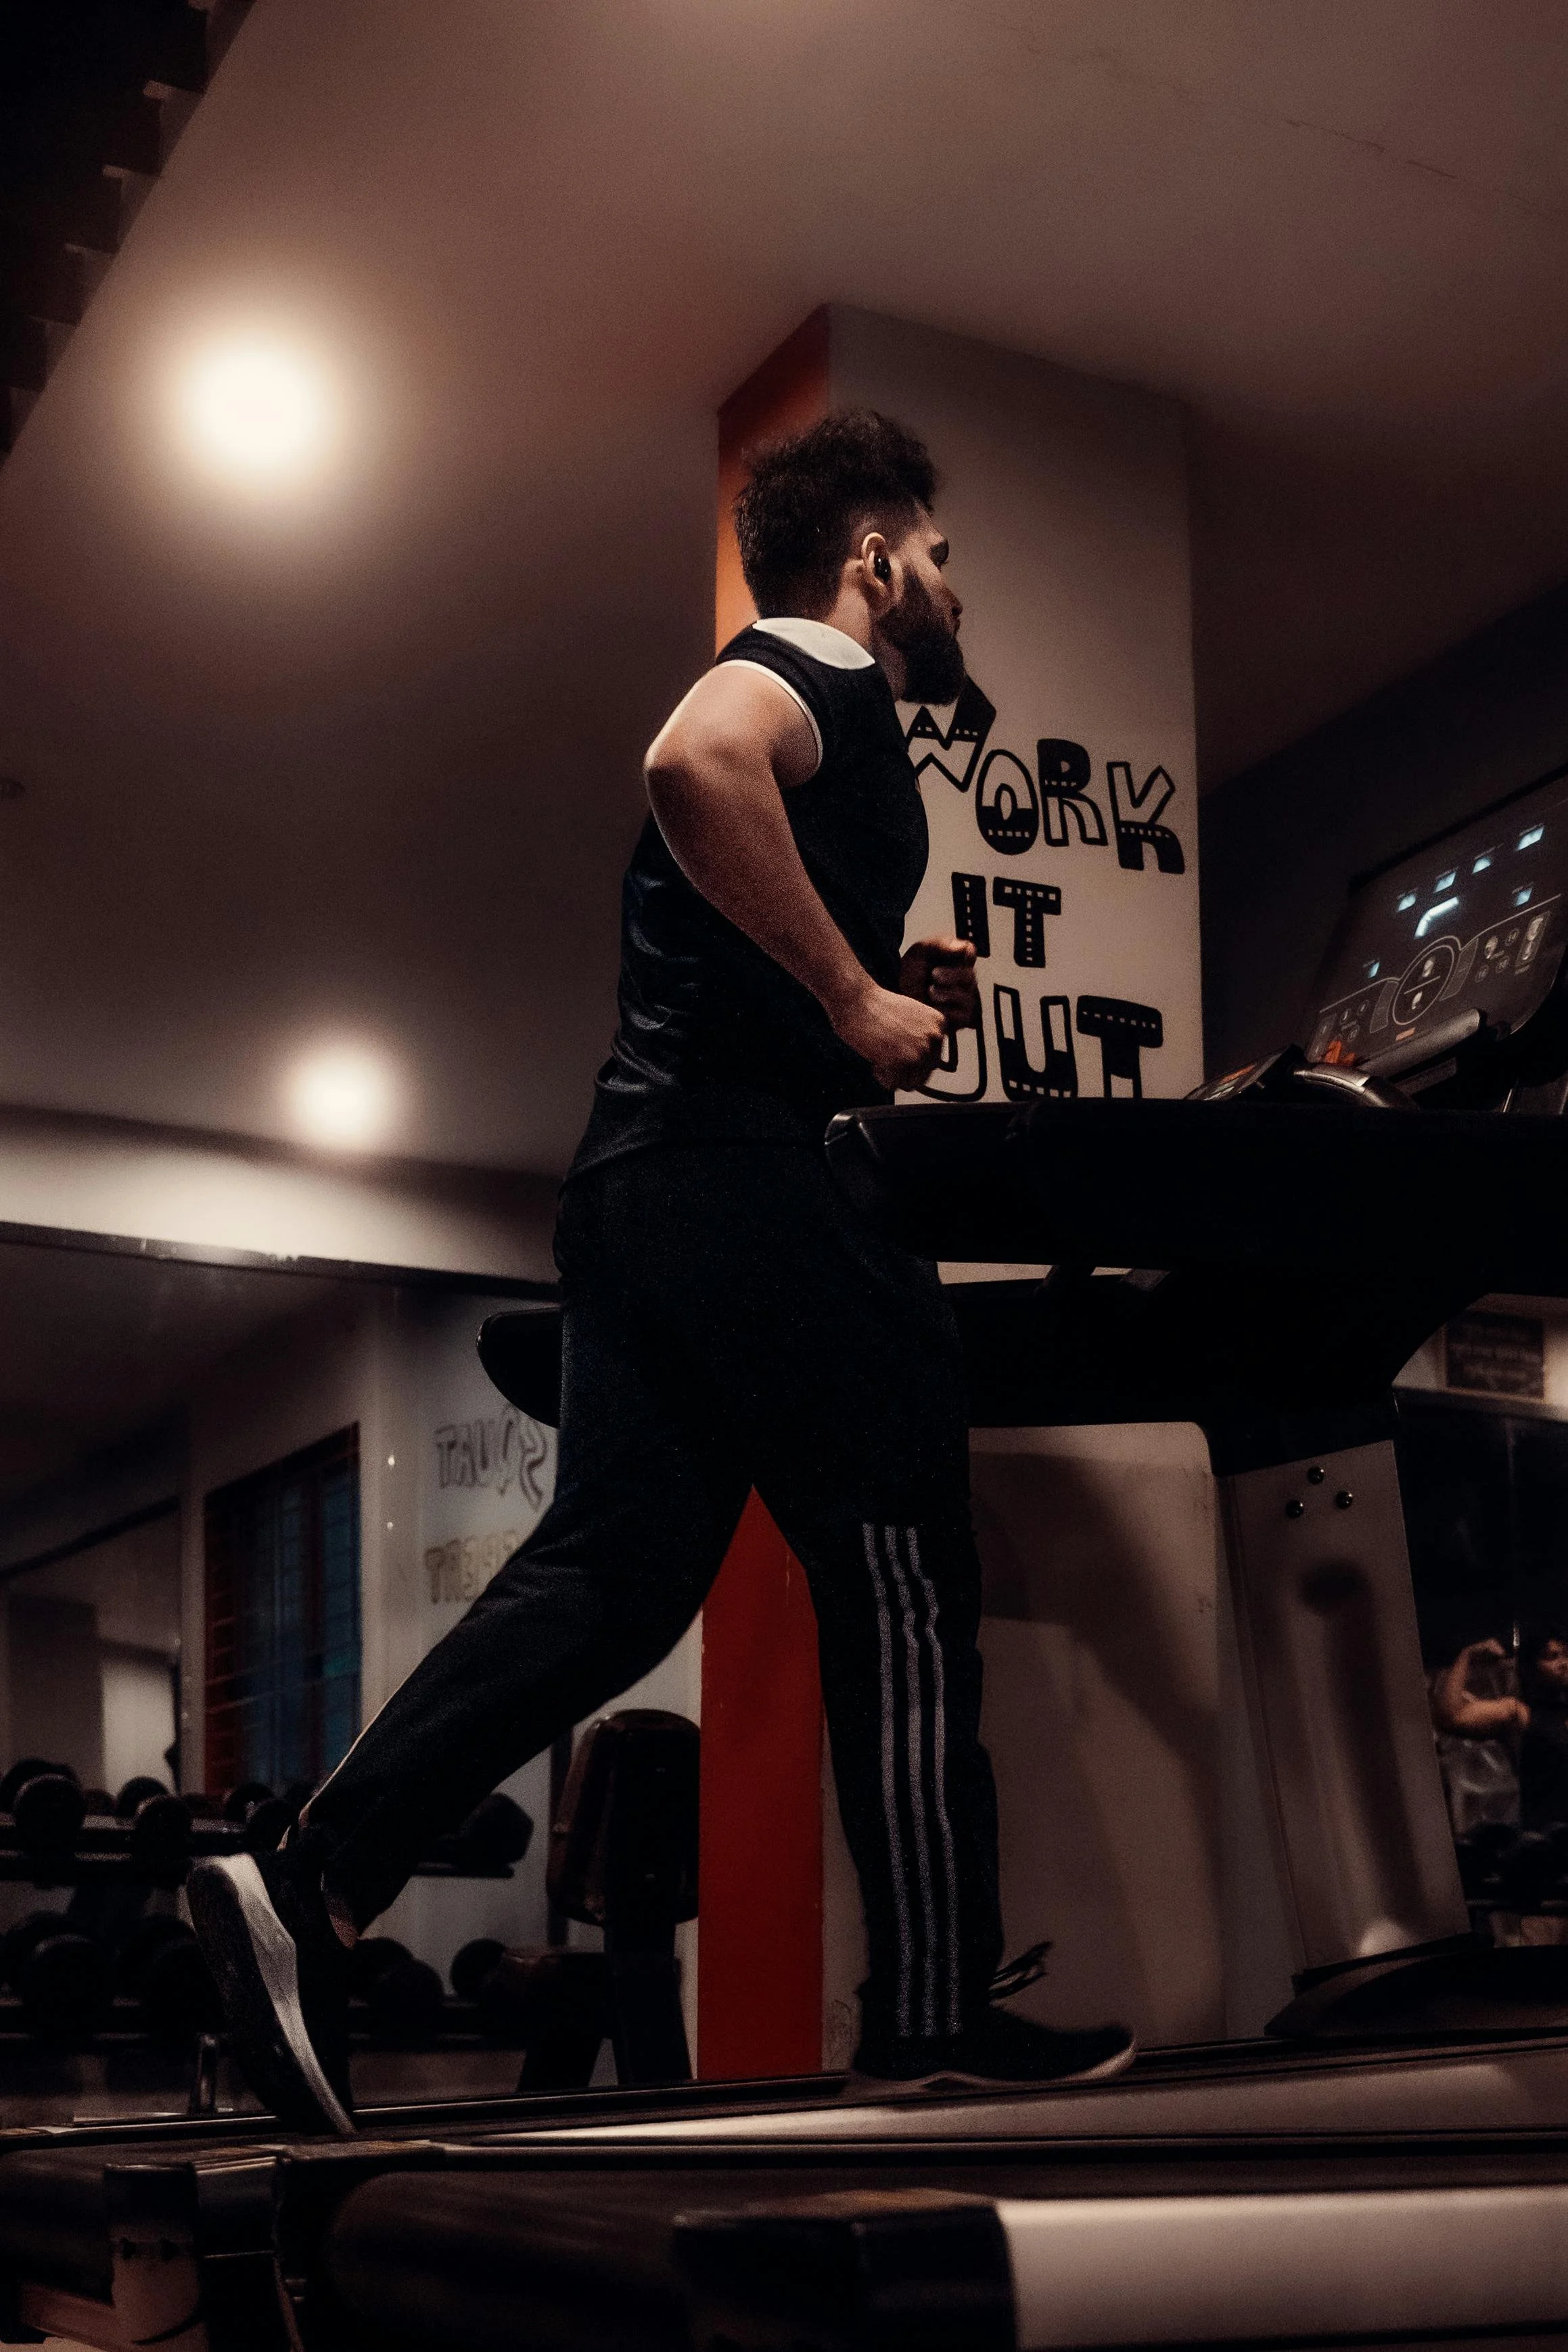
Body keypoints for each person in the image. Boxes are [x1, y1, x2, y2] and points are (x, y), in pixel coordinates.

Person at [189, 408, 1135, 2134]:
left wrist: (860, 956)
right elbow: (692, 766)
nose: (946, 584)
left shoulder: (842, 731)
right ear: (870, 560)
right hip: (763, 1187)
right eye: (935, 554)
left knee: (615, 1576)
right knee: (905, 1565)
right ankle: (928, 2009)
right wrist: (855, 1006)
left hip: (638, 1185)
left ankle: (314, 1873)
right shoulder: (802, 674)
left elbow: (731, 870)